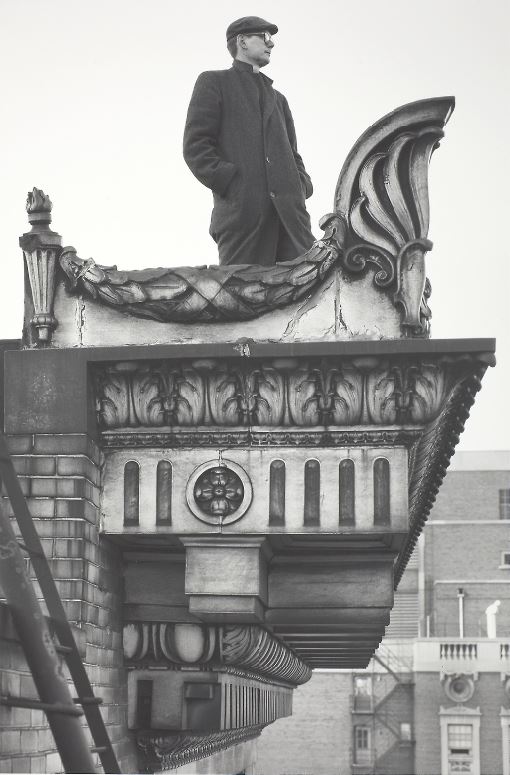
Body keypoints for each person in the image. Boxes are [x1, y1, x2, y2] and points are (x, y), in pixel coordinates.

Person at [183, 16, 315, 266]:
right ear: (242, 42)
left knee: (314, 288)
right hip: (243, 221)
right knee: (242, 290)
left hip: (293, 224)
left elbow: (293, 154)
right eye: (265, 37)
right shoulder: (214, 82)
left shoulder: (279, 100)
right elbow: (196, 147)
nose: (271, 43)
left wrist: (301, 186)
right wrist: (235, 185)